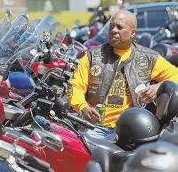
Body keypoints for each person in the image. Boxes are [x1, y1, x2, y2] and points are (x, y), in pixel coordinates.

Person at [67, 10, 178, 138]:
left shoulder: (148, 58)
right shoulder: (92, 56)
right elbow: (74, 87)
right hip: (95, 128)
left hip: (132, 128)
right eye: (111, 26)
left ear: (132, 33)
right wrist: (83, 107)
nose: (113, 30)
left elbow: (175, 75)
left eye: (119, 27)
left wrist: (160, 86)